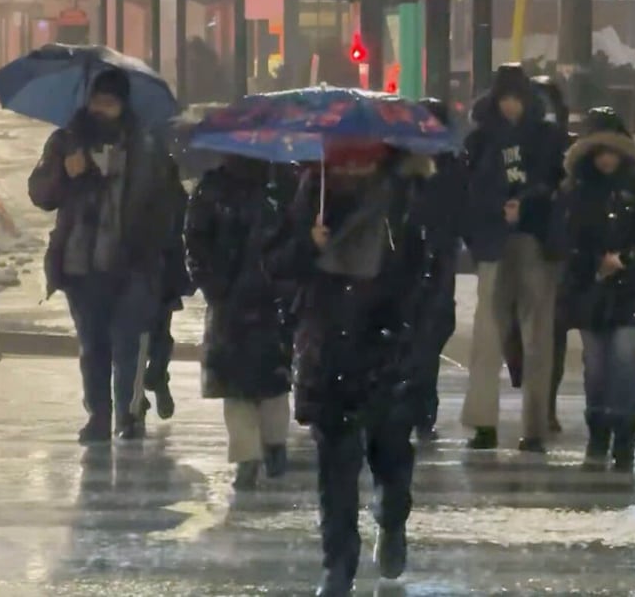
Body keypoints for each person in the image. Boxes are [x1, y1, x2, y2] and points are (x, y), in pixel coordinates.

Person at [265, 143, 432, 596]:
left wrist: (408, 333)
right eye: (345, 160)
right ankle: (337, 565)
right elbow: (276, 263)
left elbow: (426, 275)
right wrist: (308, 244)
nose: (352, 168)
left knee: (392, 455)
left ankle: (392, 519)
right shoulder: (309, 195)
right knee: (335, 470)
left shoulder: (402, 201)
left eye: (361, 160)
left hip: (386, 347)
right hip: (327, 347)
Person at [28, 68, 178, 443]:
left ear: (123, 105)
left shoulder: (146, 147)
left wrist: (156, 251)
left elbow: (169, 203)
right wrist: (64, 173)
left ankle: (127, 414)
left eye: (110, 103)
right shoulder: (66, 142)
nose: (101, 109)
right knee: (93, 346)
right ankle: (98, 415)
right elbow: (41, 194)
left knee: (127, 344)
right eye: (97, 101)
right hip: (82, 264)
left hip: (133, 264)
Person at [557, 107, 635, 472]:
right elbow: (563, 237)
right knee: (596, 366)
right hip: (590, 290)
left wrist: (627, 259)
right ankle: (598, 434)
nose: (606, 159)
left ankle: (624, 440)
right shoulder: (576, 190)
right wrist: (593, 264)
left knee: (625, 359)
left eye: (611, 151)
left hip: (633, 287)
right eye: (599, 152)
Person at [460, 64, 566, 452]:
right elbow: (469, 191)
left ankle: (534, 426)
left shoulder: (546, 138)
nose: (510, 106)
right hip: (493, 240)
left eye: (516, 98)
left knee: (537, 334)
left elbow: (557, 183)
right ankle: (483, 423)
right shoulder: (480, 141)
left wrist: (527, 203)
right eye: (505, 98)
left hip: (534, 239)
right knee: (489, 334)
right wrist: (493, 212)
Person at [185, 156, 294, 490]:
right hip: (249, 300)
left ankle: (263, 450)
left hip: (253, 299)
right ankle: (259, 452)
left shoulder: (278, 186)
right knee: (265, 383)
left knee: (256, 385)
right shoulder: (282, 184)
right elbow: (196, 242)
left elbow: (195, 242)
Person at [401, 97, 469, 442]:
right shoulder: (402, 169)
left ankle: (422, 409)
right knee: (410, 338)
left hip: (437, 260)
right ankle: (414, 407)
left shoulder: (453, 168)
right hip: (407, 262)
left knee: (427, 337)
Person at [141, 155, 194, 421]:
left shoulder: (164, 170)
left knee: (156, 334)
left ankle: (155, 378)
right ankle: (150, 383)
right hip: (146, 267)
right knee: (151, 334)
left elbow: (185, 216)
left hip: (161, 267)